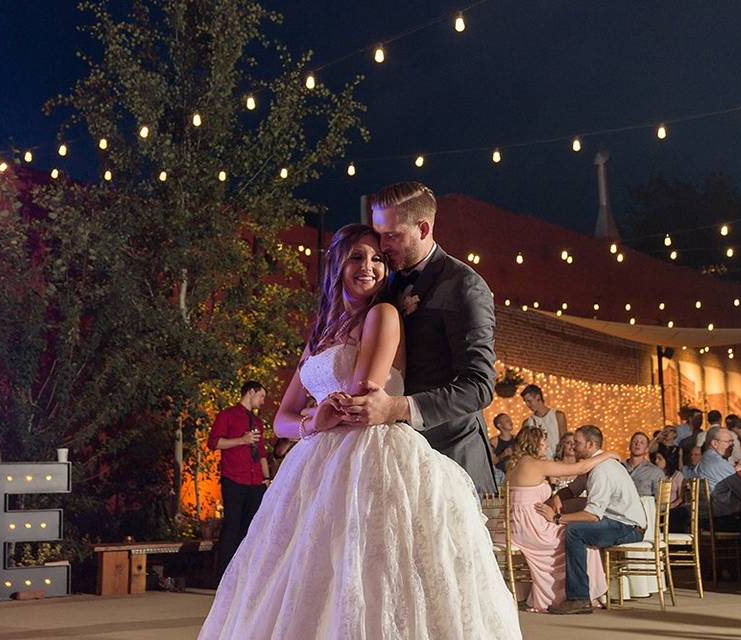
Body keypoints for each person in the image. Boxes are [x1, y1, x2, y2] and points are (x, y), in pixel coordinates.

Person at [197, 224, 521, 639]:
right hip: (318, 461)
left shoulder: (382, 315)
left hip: (374, 456)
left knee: (369, 571)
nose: (368, 267)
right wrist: (314, 422)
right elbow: (283, 418)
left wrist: (323, 418)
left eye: (378, 259)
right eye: (356, 257)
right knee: (307, 573)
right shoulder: (320, 334)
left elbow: (360, 397)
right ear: (336, 264)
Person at [334, 182, 498, 495]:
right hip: (396, 460)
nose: (382, 245)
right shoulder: (388, 279)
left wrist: (397, 407)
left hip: (450, 457)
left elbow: (479, 386)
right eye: (379, 233)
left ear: (423, 229)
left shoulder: (464, 286)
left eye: (392, 234)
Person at [538, 425, 648, 615]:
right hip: (617, 521)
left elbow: (593, 515)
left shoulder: (601, 471)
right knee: (575, 516)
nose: (573, 446)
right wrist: (557, 498)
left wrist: (557, 518)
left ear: (589, 445)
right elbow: (574, 488)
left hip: (628, 527)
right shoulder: (593, 466)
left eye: (577, 443)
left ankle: (579, 598)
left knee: (575, 531)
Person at [506, 426, 617, 612]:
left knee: (576, 532)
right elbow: (579, 467)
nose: (546, 446)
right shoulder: (534, 464)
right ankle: (585, 595)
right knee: (582, 536)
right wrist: (608, 454)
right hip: (534, 529)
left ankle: (581, 594)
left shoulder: (514, 466)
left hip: (518, 527)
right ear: (533, 444)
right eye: (543, 442)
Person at [206, 380, 270, 584]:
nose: (262, 400)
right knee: (232, 526)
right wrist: (241, 441)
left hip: (255, 481)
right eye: (261, 395)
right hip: (234, 478)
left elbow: (261, 454)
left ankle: (246, 577)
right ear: (250, 392)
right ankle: (224, 578)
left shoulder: (257, 423)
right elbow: (214, 443)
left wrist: (267, 479)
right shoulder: (228, 415)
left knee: (252, 529)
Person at [521, 384, 568, 460]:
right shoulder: (527, 422)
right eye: (525, 402)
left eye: (529, 401)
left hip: (558, 461)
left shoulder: (558, 415)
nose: (527, 405)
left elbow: (564, 440)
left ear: (538, 398)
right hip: (539, 463)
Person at [623, 432, 666, 497]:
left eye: (642, 442)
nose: (638, 444)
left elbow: (661, 500)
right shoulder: (619, 467)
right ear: (629, 446)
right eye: (635, 441)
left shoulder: (655, 472)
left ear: (646, 449)